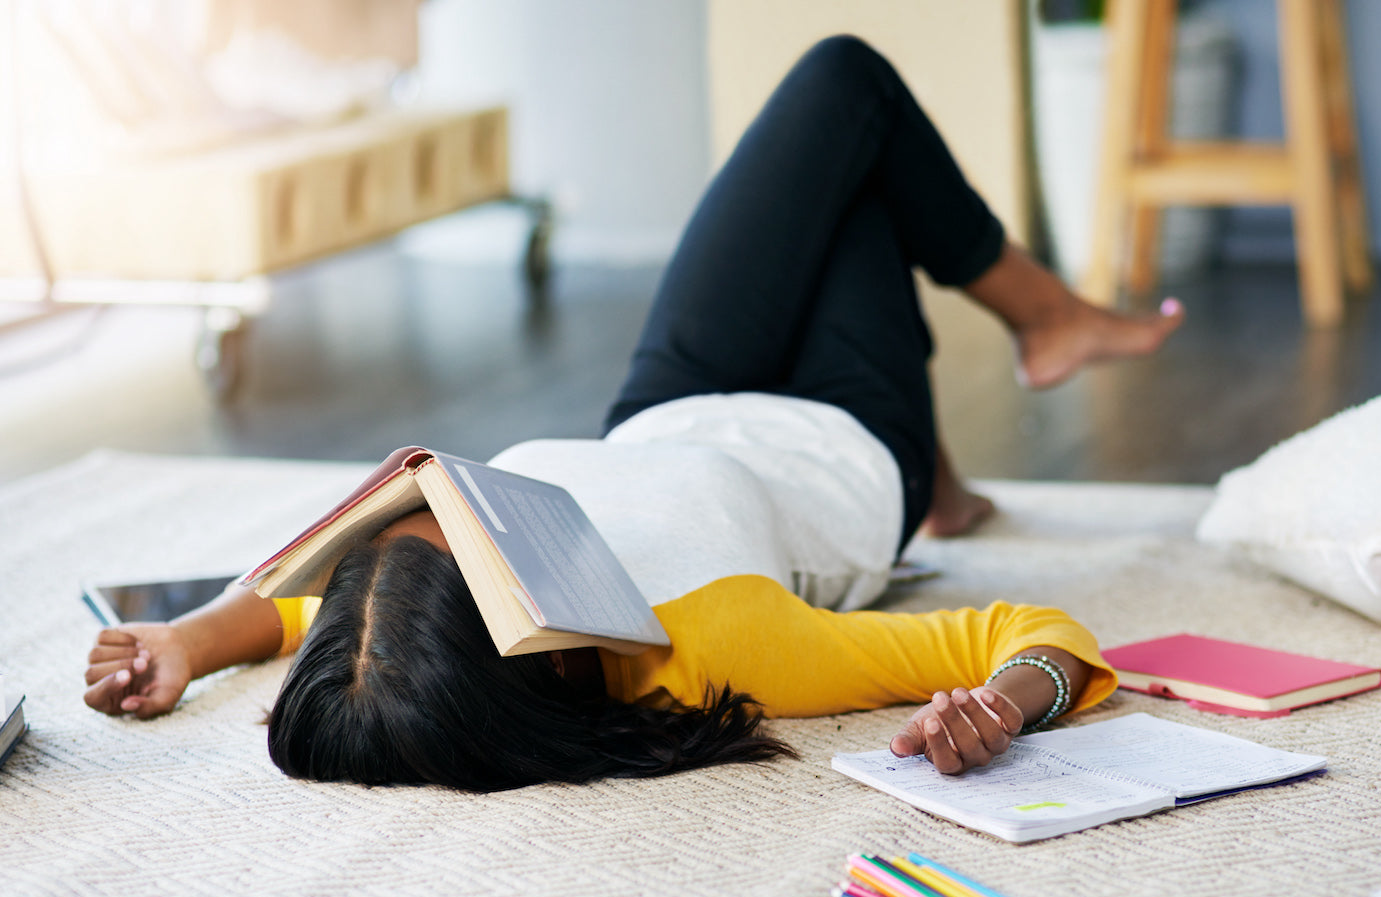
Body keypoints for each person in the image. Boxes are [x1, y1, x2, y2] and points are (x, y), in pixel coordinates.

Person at [82, 36, 1182, 791]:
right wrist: (1005, 703)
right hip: (839, 439)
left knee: (836, 112)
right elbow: (1031, 635)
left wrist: (184, 640)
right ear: (552, 646)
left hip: (667, 405)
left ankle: (985, 416)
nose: (453, 495)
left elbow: (310, 617)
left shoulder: (422, 624)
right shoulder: (712, 643)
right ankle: (1018, 356)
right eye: (463, 536)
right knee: (851, 124)